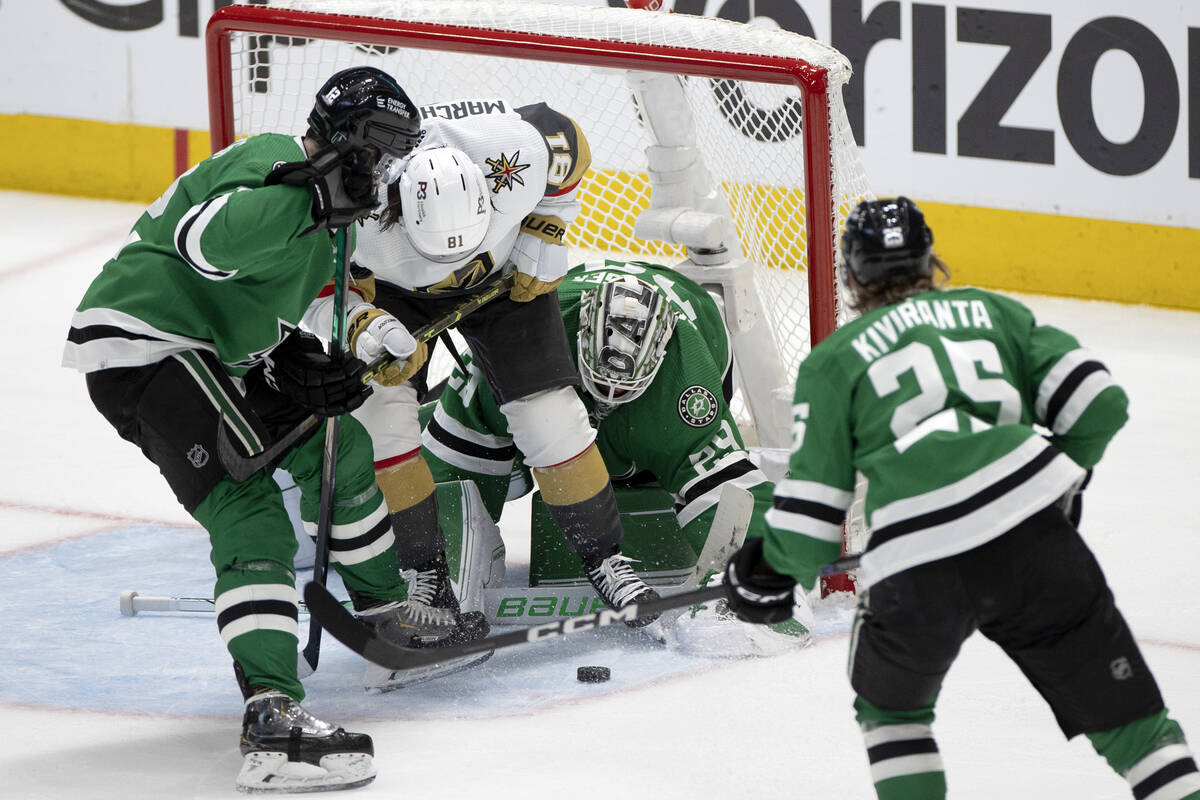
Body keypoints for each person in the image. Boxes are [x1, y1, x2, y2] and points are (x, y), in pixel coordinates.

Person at [721, 197, 1200, 799]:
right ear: (930, 260)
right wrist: (1058, 478)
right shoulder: (992, 312)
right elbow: (1100, 402)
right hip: (1035, 542)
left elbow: (814, 515)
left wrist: (763, 571)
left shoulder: (835, 361)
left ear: (851, 275)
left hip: (917, 567)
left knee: (893, 714)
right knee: (1135, 727)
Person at [62, 67, 437, 793]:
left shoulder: (332, 215)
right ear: (351, 137)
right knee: (248, 504)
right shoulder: (273, 160)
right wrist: (310, 194)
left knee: (341, 443)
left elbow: (294, 294)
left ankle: (386, 613)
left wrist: (319, 351)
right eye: (385, 144)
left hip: (208, 350)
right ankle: (273, 717)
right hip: (148, 344)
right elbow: (207, 244)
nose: (389, 164)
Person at [302, 100, 663, 653]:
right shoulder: (356, 204)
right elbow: (318, 295)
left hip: (506, 277)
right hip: (393, 297)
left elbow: (564, 133)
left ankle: (606, 559)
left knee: (551, 418)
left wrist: (544, 228)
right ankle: (426, 575)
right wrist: (363, 325)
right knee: (379, 417)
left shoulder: (501, 148)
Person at [420, 259, 812, 651]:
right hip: (556, 369)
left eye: (621, 393)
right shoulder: (519, 335)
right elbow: (454, 457)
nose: (607, 404)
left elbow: (724, 481)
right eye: (601, 389)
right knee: (465, 450)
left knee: (669, 459)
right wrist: (438, 557)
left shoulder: (685, 372)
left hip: (657, 398)